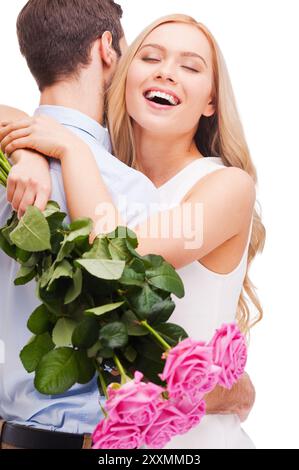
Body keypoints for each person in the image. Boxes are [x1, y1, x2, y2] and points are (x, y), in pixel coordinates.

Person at [0, 13, 266, 449]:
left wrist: (71, 150)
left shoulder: (226, 186)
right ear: (121, 73)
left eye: (191, 66)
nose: (166, 72)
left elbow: (115, 263)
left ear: (211, 102)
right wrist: (26, 149)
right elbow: (24, 113)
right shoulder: (113, 175)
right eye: (151, 57)